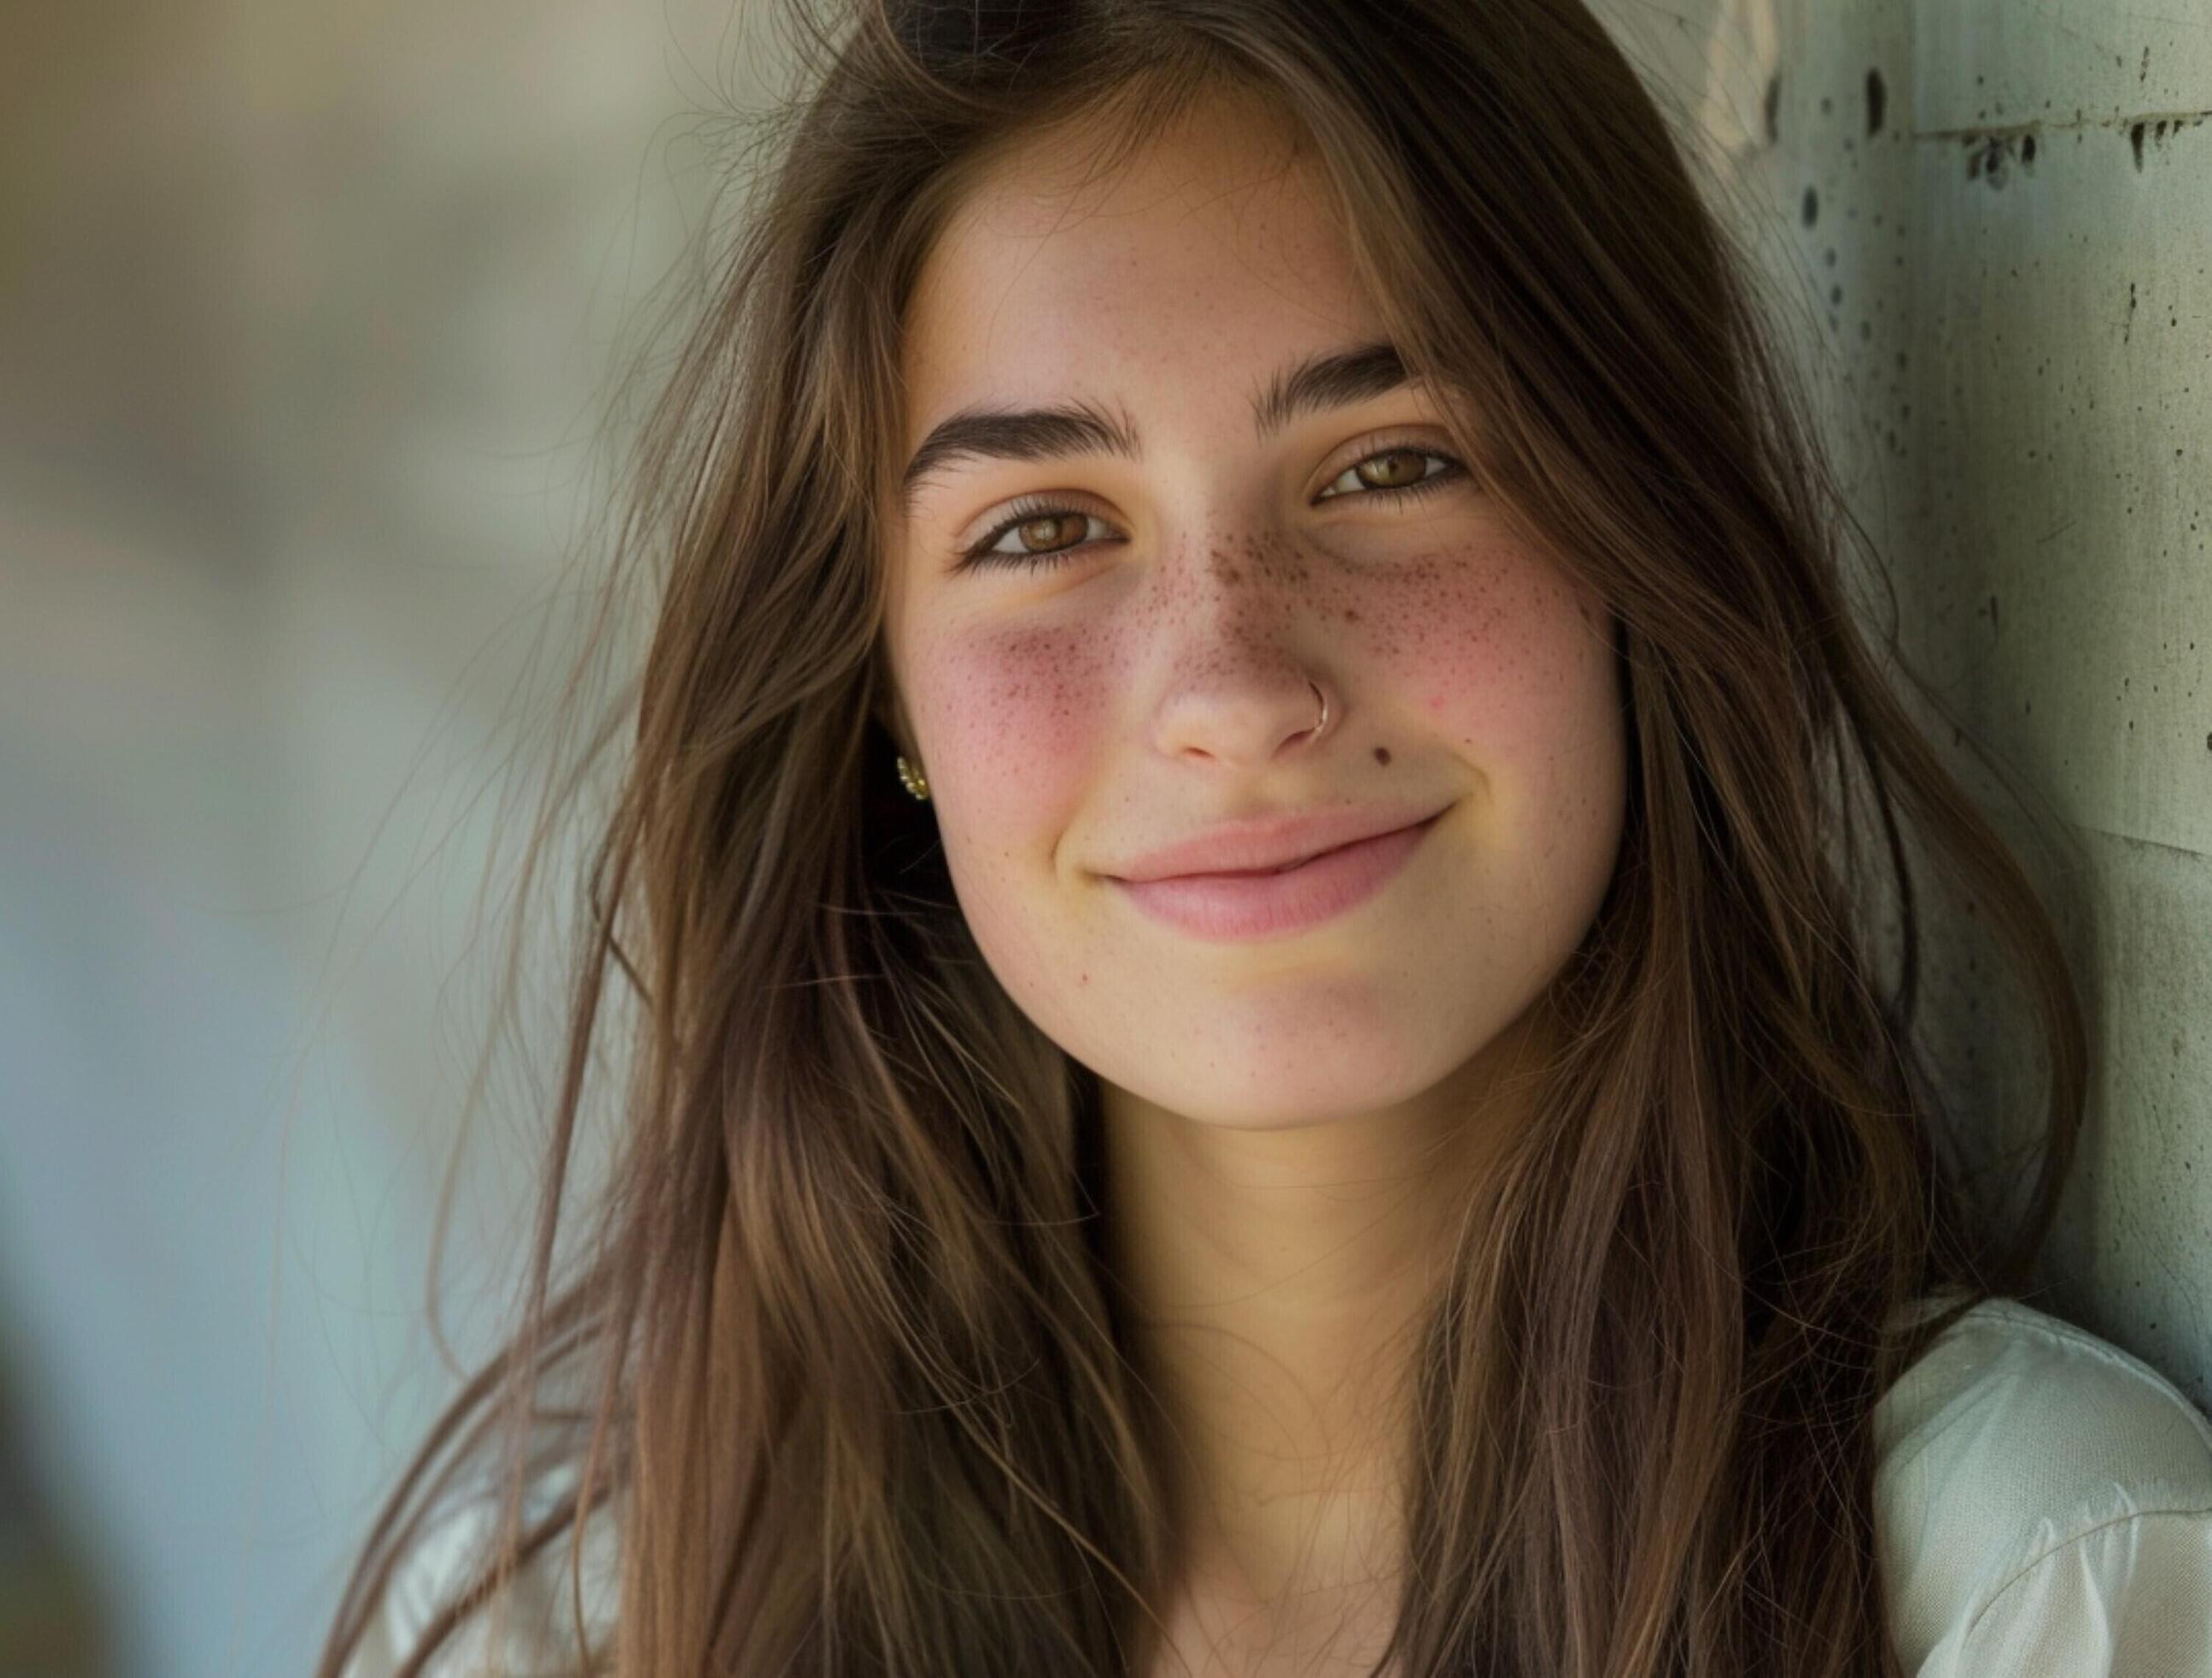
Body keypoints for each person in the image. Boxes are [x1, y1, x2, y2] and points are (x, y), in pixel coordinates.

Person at [317, 1, 2212, 1672]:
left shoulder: (2021, 1590)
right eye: (1044, 527)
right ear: (883, 692)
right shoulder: (579, 1621)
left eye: (1392, 467)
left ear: (1640, 550)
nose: (1227, 680)